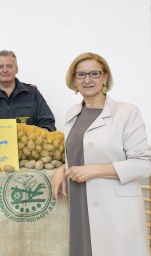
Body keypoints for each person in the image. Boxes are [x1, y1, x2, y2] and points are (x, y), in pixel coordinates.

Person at [51, 52, 151, 256]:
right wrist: (63, 168)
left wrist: (93, 171)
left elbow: (143, 163)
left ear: (105, 77)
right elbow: (81, 151)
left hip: (115, 208)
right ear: (74, 80)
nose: (87, 80)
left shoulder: (126, 112)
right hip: (80, 202)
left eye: (94, 73)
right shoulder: (73, 113)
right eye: (80, 75)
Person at [0, 50, 56, 131]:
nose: (5, 70)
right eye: (0, 66)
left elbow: (47, 122)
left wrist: (42, 134)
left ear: (16, 69)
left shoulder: (32, 93)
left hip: (26, 146)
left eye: (9, 66)